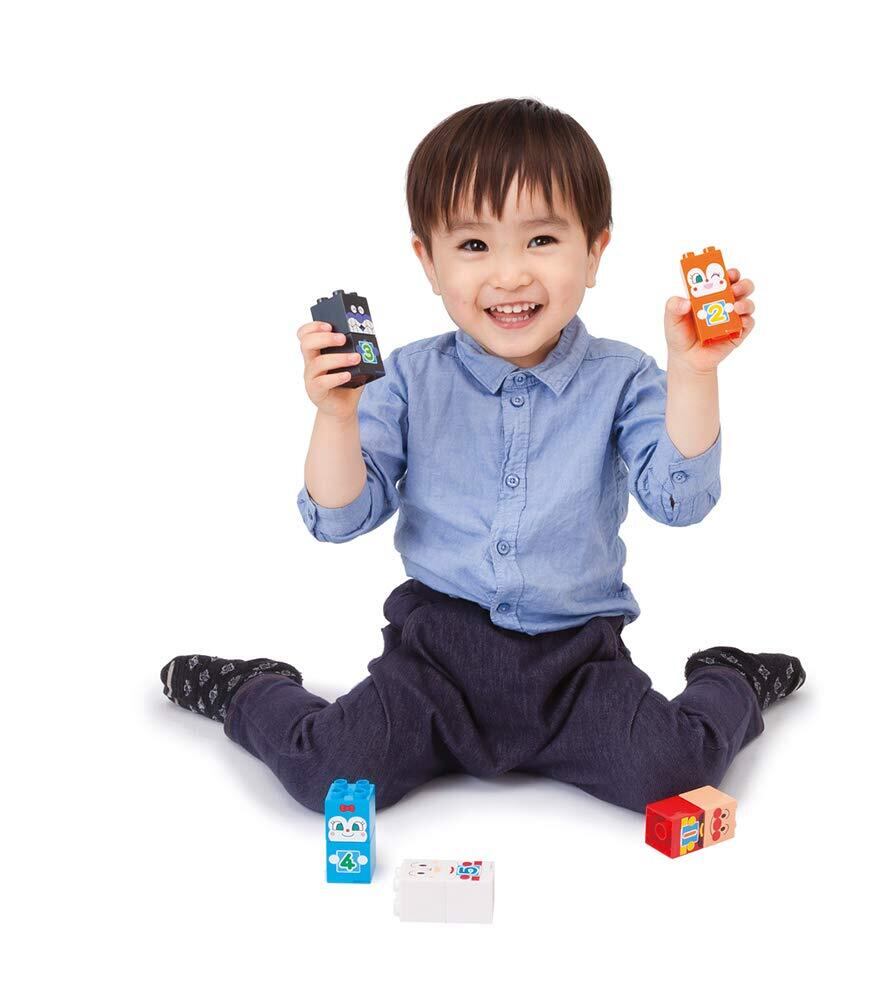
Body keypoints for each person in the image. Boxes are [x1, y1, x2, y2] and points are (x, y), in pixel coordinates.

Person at [160, 97, 805, 814]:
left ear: (595, 252)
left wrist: (693, 373)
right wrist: (336, 417)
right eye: (473, 245)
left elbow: (678, 502)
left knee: (674, 771)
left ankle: (730, 677)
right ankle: (252, 688)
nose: (509, 276)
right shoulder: (406, 377)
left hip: (577, 665)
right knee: (329, 774)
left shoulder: (624, 377)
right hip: (433, 662)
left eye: (541, 240)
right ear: (428, 262)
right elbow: (339, 518)